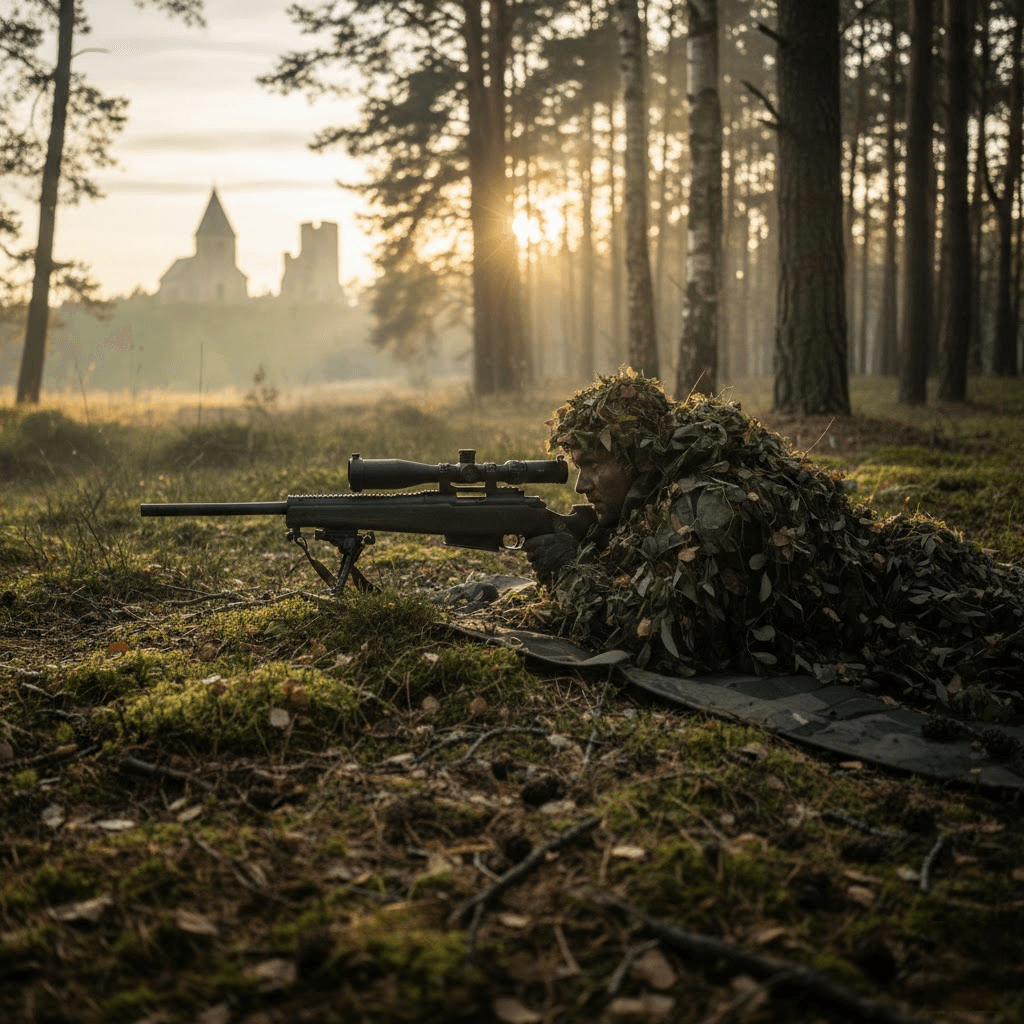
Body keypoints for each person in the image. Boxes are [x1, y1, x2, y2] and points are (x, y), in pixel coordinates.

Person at [523, 370, 1024, 720]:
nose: (581, 485)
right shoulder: (675, 482)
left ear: (637, 459)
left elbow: (661, 640)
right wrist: (595, 540)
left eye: (594, 466)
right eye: (578, 465)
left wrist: (566, 571)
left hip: (904, 590)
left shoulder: (704, 505)